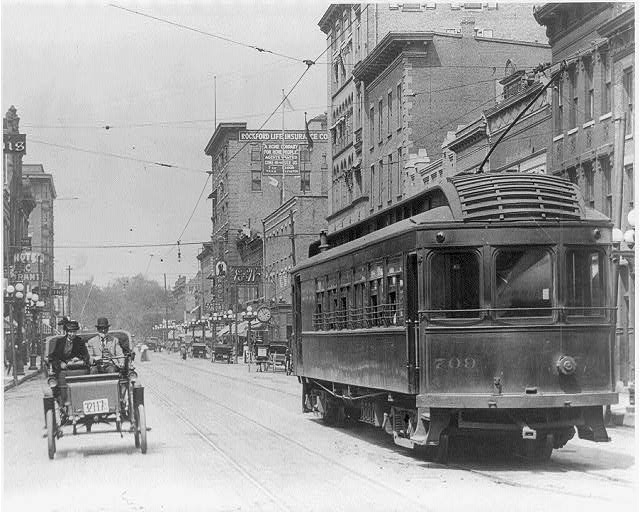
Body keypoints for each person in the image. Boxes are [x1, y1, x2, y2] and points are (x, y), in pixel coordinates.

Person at [49, 320, 89, 406]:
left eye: (74, 332)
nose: (72, 334)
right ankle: (63, 401)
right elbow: (54, 357)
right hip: (63, 370)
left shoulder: (80, 341)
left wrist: (78, 358)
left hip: (78, 369)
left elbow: (86, 355)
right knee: (60, 378)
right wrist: (60, 363)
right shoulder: (60, 342)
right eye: (70, 332)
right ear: (67, 332)